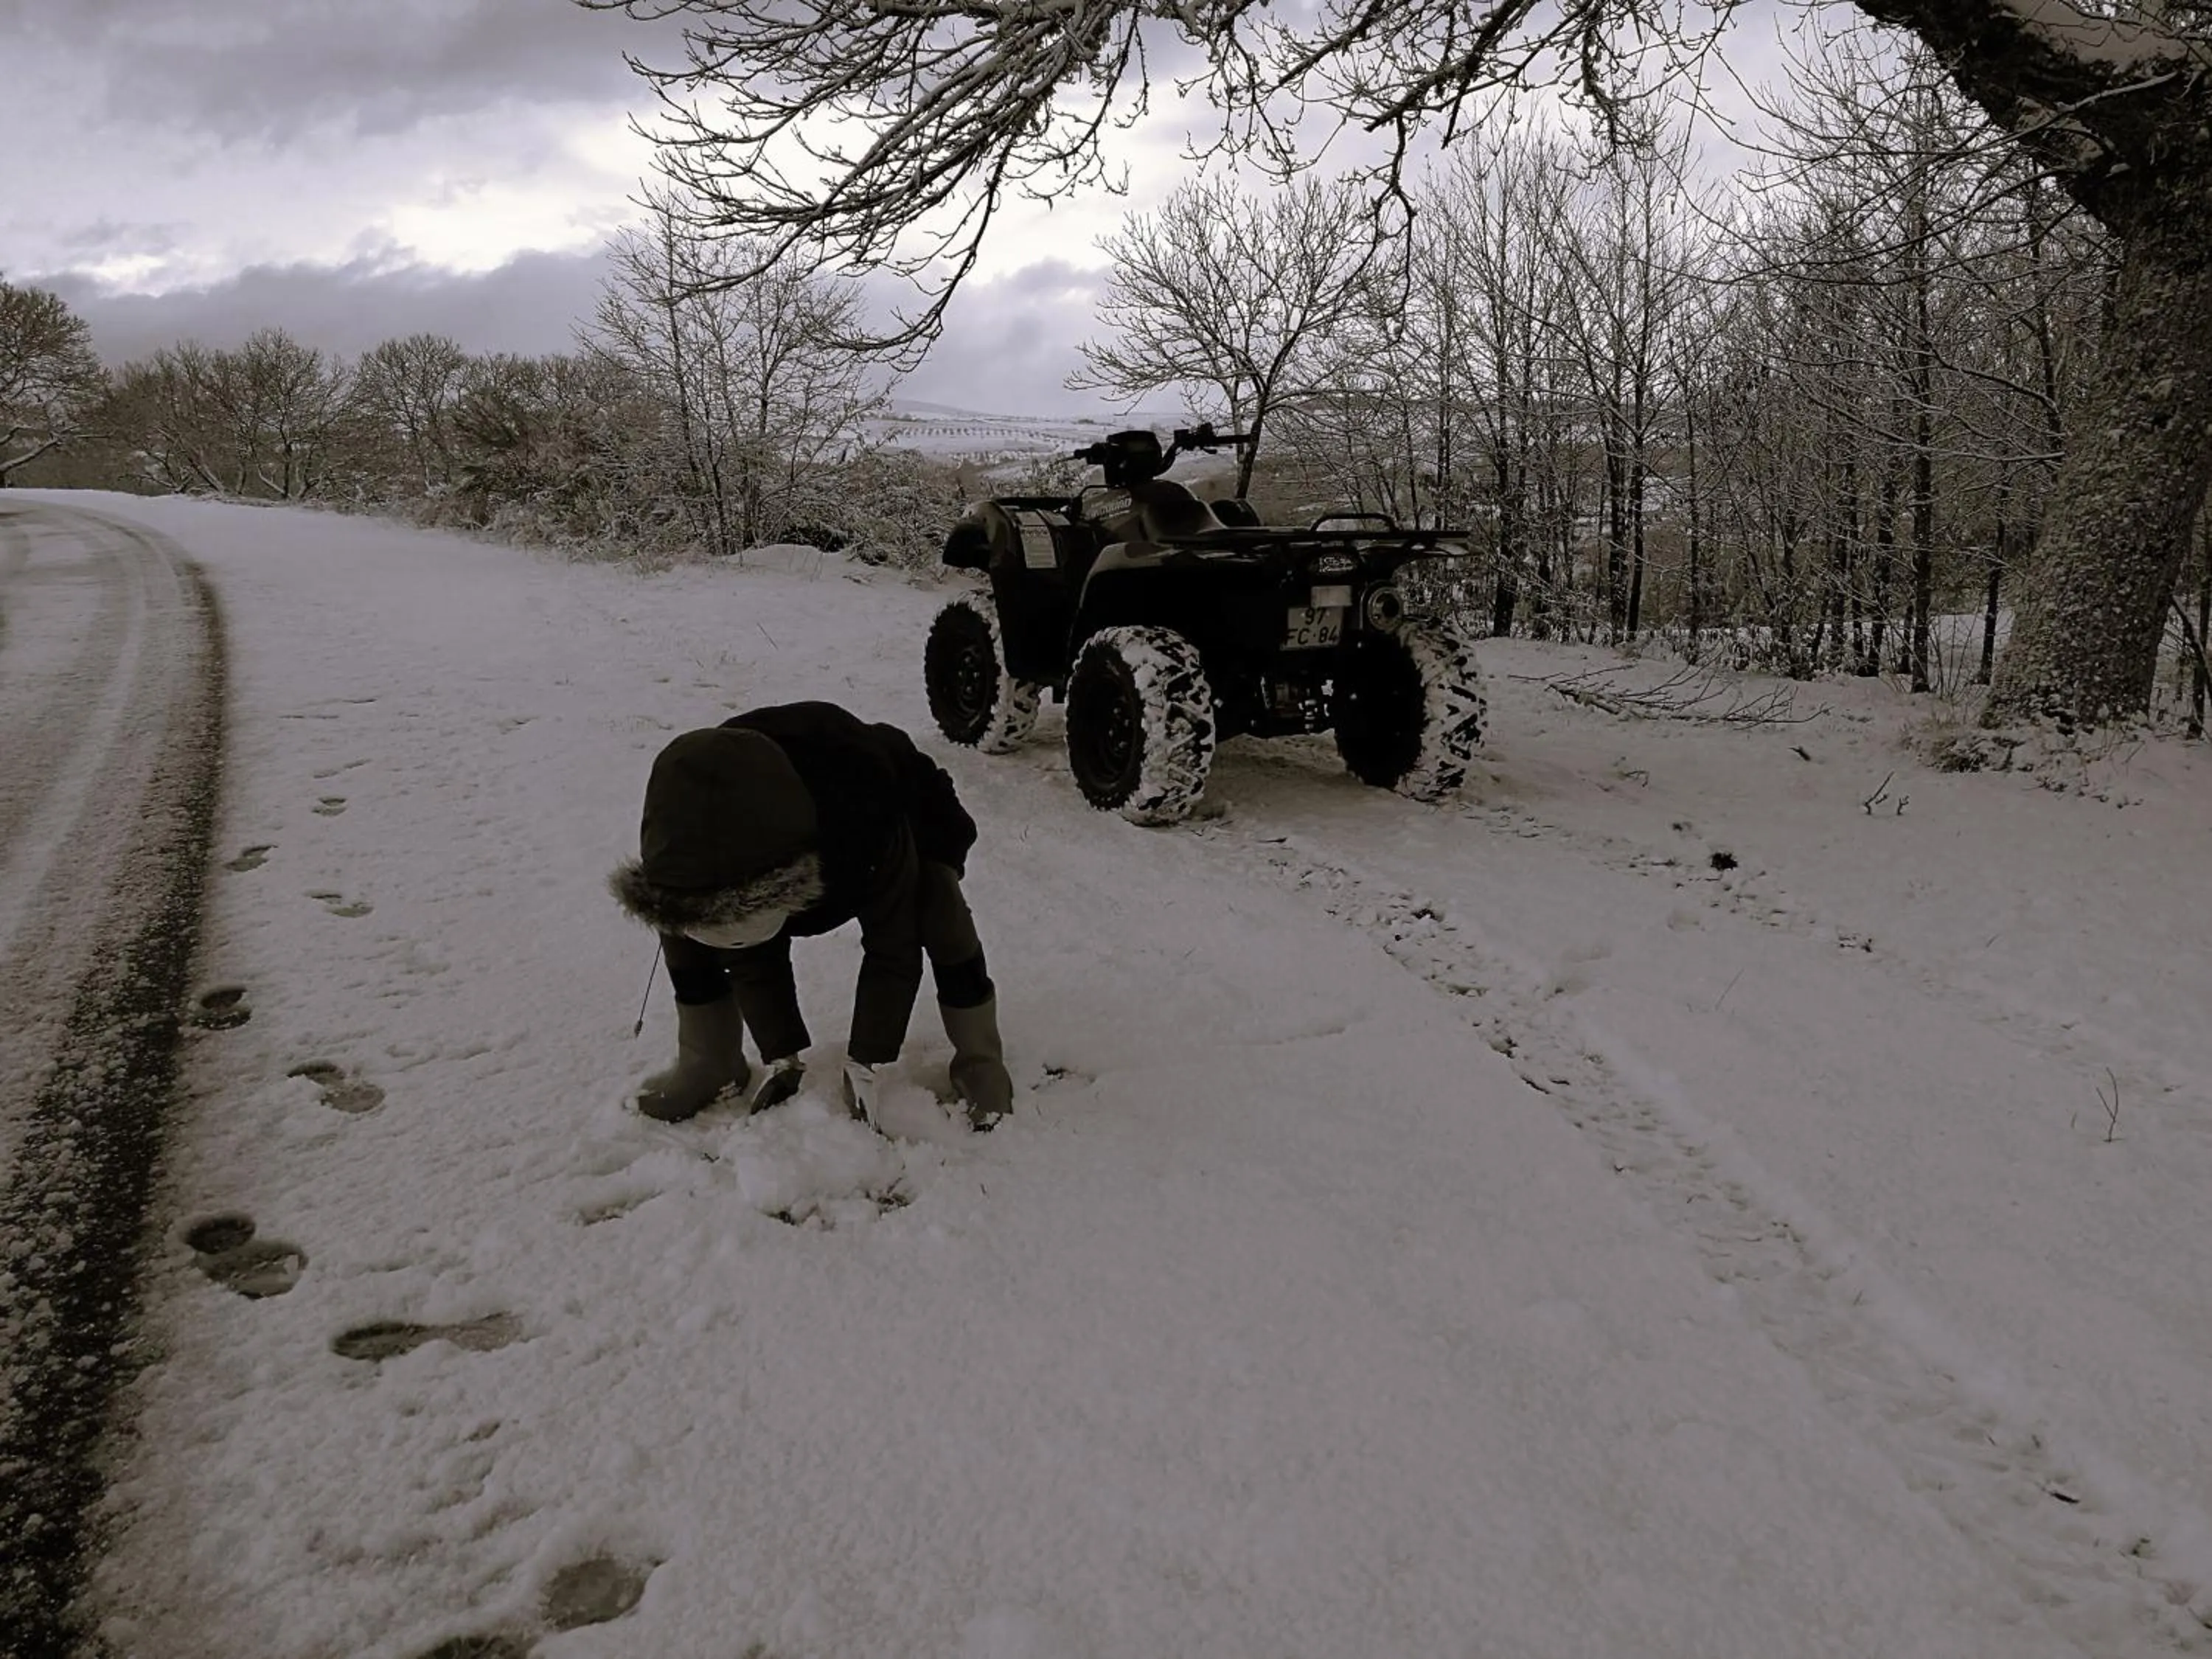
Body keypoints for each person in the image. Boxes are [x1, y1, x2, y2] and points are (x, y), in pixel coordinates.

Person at [608, 701, 1012, 1131]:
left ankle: (980, 1060)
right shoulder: (692, 811)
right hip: (764, 832)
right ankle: (710, 1062)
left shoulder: (867, 826)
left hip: (899, 800)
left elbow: (894, 949)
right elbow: (748, 949)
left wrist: (866, 1058)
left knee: (938, 909)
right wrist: (781, 1053)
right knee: (680, 918)